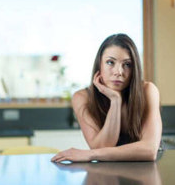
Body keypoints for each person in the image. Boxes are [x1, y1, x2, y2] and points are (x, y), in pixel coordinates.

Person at [51, 33, 162, 162]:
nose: (118, 72)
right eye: (110, 62)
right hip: (107, 171)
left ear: (134, 68)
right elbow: (102, 147)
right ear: (99, 65)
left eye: (127, 65)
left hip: (146, 170)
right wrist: (115, 101)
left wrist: (90, 154)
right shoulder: (82, 97)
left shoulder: (148, 90)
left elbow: (149, 151)